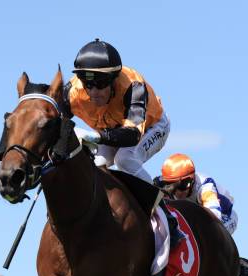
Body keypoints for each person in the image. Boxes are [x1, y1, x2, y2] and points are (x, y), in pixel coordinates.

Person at [64, 38, 170, 183]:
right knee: (92, 165)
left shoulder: (134, 86)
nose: (94, 92)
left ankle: (158, 205)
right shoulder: (72, 91)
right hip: (111, 132)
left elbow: (133, 135)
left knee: (125, 159)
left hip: (151, 127)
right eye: (87, 84)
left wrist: (94, 137)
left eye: (100, 84)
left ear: (114, 79)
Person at [157, 153, 237, 234]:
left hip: (225, 215)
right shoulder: (163, 180)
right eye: (171, 186)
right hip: (196, 211)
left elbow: (214, 217)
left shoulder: (206, 188)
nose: (177, 193)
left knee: (207, 232)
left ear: (190, 181)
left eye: (181, 186)